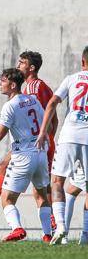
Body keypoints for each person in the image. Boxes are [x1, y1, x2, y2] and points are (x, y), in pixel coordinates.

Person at [0, 51, 58, 223]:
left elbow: (41, 117)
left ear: (31, 68)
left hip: (36, 144)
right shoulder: (40, 86)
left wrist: (41, 138)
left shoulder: (31, 89)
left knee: (40, 190)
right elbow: (53, 118)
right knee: (39, 189)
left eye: (21, 63)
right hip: (42, 143)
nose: (18, 66)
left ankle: (54, 224)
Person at [0, 68, 52, 242]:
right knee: (42, 196)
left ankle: (17, 229)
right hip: (41, 154)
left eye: (2, 81)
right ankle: (48, 235)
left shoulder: (9, 106)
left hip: (23, 156)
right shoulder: (33, 99)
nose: (0, 84)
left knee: (7, 199)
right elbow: (45, 123)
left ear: (12, 85)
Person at [35, 46, 88, 245]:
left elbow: (52, 103)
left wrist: (43, 132)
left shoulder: (71, 78)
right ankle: (85, 236)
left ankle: (61, 228)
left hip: (69, 135)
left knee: (57, 181)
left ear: (82, 61)